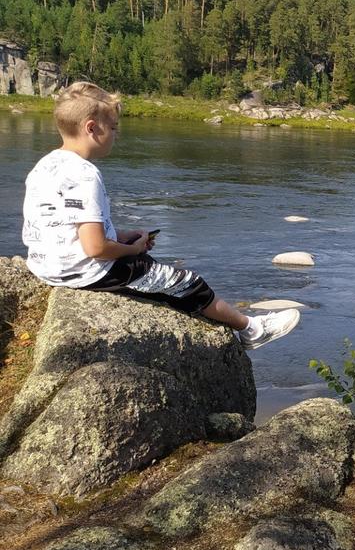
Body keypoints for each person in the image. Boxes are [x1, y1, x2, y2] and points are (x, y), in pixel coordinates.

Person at [21, 81, 299, 349]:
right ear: (91, 128)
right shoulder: (85, 174)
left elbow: (65, 227)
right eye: (114, 128)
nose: (117, 135)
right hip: (85, 273)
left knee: (143, 261)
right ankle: (252, 329)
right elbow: (95, 248)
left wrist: (124, 236)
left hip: (49, 267)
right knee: (186, 282)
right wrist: (133, 249)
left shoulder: (46, 165)